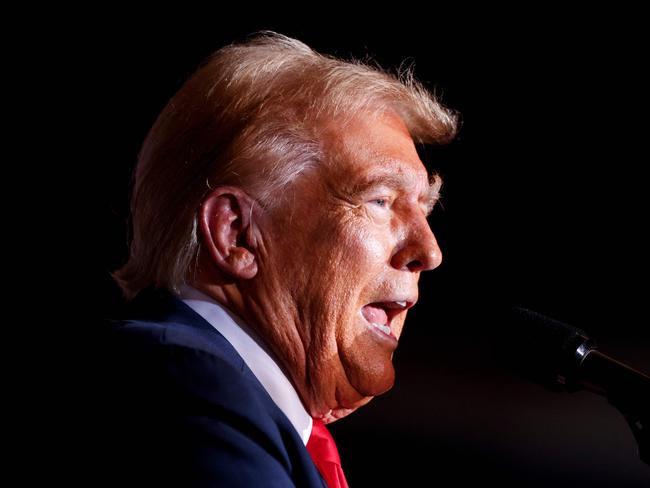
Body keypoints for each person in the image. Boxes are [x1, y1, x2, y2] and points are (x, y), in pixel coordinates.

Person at [102, 32, 458, 487]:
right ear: (236, 234)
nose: (429, 252)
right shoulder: (188, 385)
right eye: (380, 201)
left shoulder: (243, 408)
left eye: (424, 209)